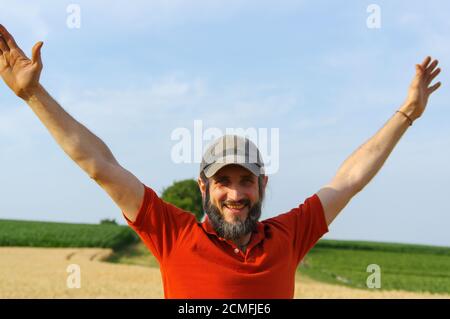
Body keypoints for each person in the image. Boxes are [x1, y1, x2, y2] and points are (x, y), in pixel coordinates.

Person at [0, 24, 442, 298]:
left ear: (261, 187)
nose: (235, 193)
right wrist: (33, 95)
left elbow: (349, 179)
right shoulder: (173, 234)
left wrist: (407, 114)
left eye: (246, 181)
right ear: (204, 187)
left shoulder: (287, 236)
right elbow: (99, 164)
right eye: (223, 181)